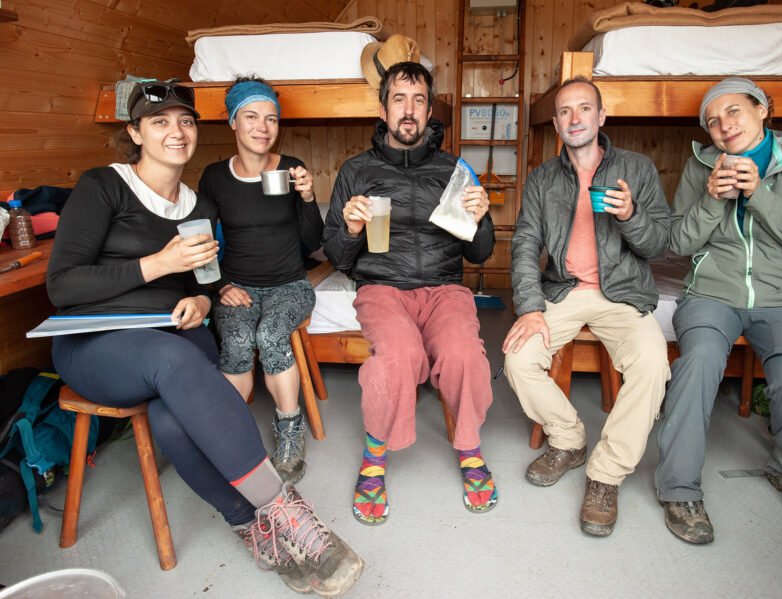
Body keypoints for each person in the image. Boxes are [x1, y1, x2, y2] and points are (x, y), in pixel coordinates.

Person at [46, 81, 362, 595]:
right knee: (175, 362)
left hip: (171, 331)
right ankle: (284, 510)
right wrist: (157, 264)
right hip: (97, 341)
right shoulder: (104, 185)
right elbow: (61, 284)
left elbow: (204, 278)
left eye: (186, 121)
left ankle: (249, 526)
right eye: (161, 122)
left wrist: (202, 299)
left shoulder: (197, 203)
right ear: (135, 132)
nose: (177, 131)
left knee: (180, 407)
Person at [655, 77, 782, 544]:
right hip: (711, 293)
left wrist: (760, 194)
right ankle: (678, 488)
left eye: (733, 111)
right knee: (696, 366)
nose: (723, 125)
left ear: (761, 110)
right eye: (713, 121)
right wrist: (713, 199)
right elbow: (678, 242)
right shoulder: (701, 166)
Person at [322, 61, 497, 525]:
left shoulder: (454, 168)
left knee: (465, 356)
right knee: (398, 358)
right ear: (383, 109)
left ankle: (470, 447)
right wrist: (353, 228)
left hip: (444, 288)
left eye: (418, 100)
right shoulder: (356, 171)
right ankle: (375, 456)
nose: (409, 110)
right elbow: (338, 256)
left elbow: (481, 253)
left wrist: (481, 219)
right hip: (383, 286)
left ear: (429, 109)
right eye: (399, 99)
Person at [503, 76, 671, 537]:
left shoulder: (636, 169)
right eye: (565, 111)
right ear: (556, 123)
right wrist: (530, 306)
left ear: (601, 117)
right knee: (518, 358)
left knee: (653, 364)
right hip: (564, 291)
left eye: (584, 109)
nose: (575, 118)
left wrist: (631, 216)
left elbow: (662, 242)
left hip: (623, 292)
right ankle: (569, 439)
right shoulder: (542, 179)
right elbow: (524, 244)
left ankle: (605, 475)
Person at [199, 76, 323, 482]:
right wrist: (220, 286)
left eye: (271, 118)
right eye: (251, 116)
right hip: (238, 285)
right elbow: (200, 239)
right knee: (234, 340)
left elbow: (313, 243)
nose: (262, 127)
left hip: (290, 284)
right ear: (233, 121)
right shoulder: (215, 177)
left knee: (272, 335)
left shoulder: (292, 170)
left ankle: (290, 434)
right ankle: (232, 440)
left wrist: (306, 199)